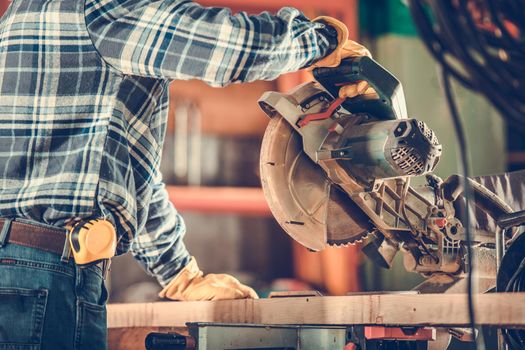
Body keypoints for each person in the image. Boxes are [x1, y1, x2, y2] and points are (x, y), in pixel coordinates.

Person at [0, 1, 370, 348]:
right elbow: (226, 47)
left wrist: (179, 274)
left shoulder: (24, 12)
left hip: (27, 266)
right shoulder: (103, 9)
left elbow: (126, 175)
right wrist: (323, 42)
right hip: (43, 273)